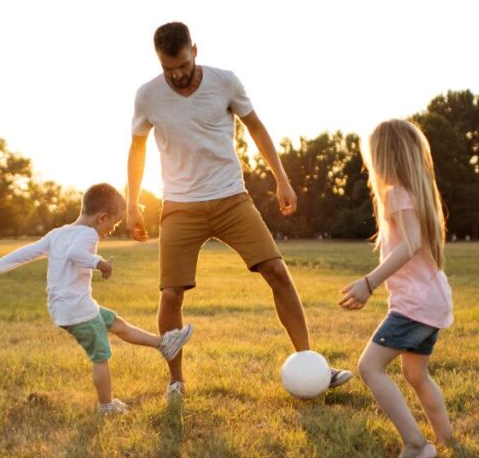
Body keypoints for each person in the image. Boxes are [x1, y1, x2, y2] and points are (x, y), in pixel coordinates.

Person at [126, 21, 352, 400]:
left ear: (194, 50)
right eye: (169, 70)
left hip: (231, 197)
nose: (178, 75)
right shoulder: (147, 95)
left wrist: (282, 178)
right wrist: (131, 203)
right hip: (180, 205)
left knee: (277, 271)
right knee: (170, 295)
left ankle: (312, 363)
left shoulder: (225, 82)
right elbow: (137, 148)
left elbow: (256, 127)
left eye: (183, 65)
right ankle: (176, 381)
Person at [0, 183, 193, 415]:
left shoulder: (57, 234)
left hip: (67, 307)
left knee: (115, 323)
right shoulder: (88, 234)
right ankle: (106, 406)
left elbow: (27, 252)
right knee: (101, 356)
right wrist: (100, 263)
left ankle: (164, 344)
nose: (112, 228)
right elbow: (75, 254)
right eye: (114, 223)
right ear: (102, 218)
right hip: (77, 309)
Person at [338, 119, 455, 458]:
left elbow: (410, 245)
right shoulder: (415, 194)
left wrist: (369, 283)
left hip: (415, 306)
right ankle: (448, 441)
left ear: (383, 158)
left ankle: (416, 445)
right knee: (416, 375)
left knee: (369, 367)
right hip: (431, 302)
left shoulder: (397, 194)